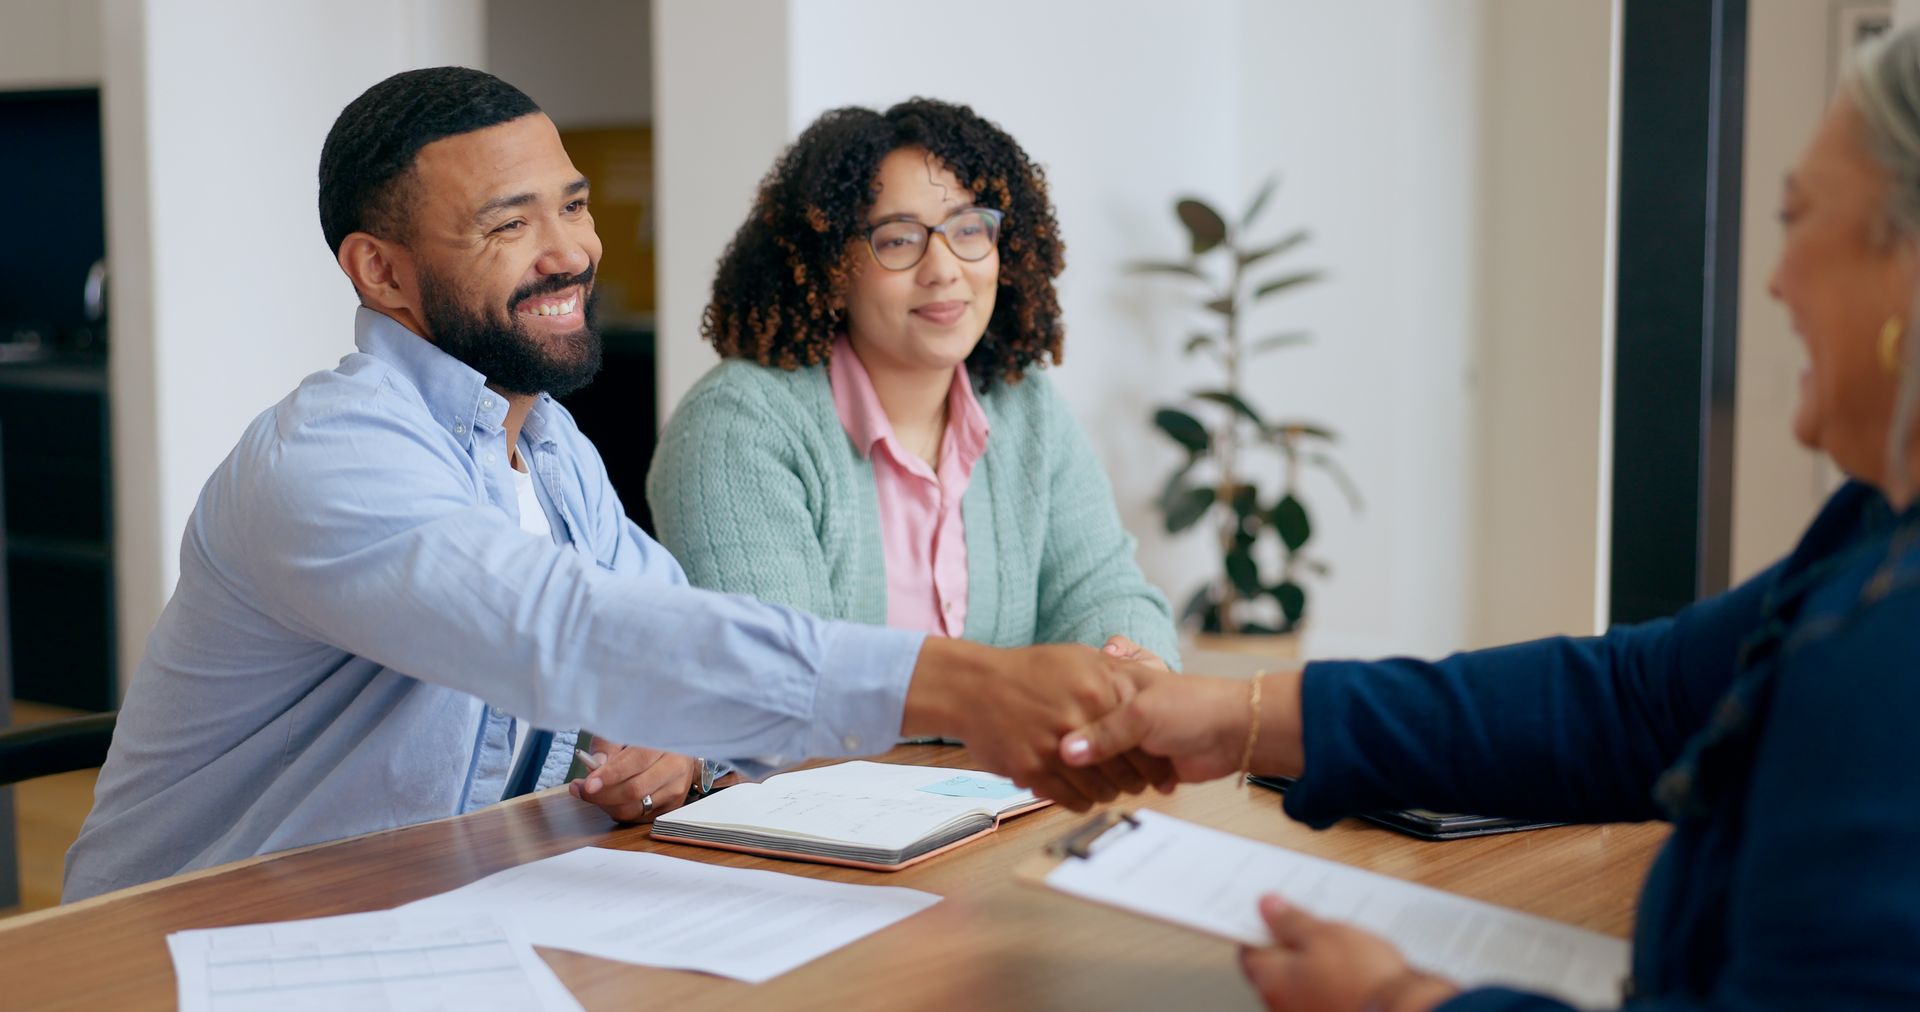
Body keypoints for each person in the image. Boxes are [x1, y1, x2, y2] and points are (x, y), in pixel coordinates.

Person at [62, 68, 1167, 903]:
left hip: (448, 905)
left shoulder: (551, 447)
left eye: (574, 205)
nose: (571, 250)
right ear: (382, 272)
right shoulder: (330, 458)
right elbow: (571, 635)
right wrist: (964, 685)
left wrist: (680, 741)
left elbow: (674, 637)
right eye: (511, 223)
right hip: (196, 943)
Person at [1059, 27, 1920, 1012]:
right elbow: (1633, 702)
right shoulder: (1873, 528)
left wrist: (1402, 1002)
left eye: (1798, 216)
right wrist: (1233, 714)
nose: (1772, 280)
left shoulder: (1893, 644)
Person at [645, 98, 1178, 667]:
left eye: (969, 228)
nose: (945, 268)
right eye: (899, 238)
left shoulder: (1027, 407)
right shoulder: (736, 426)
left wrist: (1131, 663)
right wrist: (1019, 695)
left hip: (1000, 760)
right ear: (831, 266)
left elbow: (1104, 591)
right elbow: (780, 681)